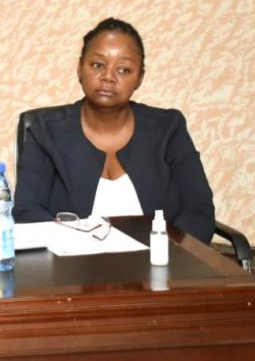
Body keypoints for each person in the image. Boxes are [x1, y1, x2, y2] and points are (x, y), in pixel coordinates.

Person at [13, 18, 215, 242]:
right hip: (72, 268)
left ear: (139, 78)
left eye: (124, 69)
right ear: (80, 68)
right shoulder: (45, 131)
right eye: (98, 65)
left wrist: (167, 256)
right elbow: (27, 213)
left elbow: (199, 210)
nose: (108, 77)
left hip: (161, 266)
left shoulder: (168, 128)